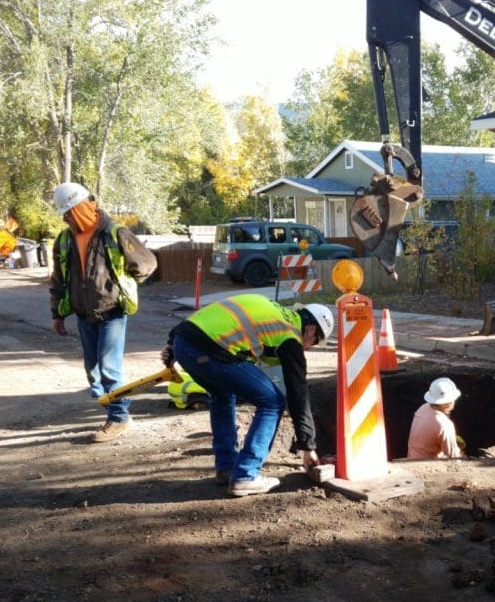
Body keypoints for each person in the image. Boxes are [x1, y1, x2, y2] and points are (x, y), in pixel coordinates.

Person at [162, 296, 335, 497]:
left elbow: (211, 315)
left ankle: (226, 468)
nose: (307, 348)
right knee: (272, 402)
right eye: (312, 343)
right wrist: (307, 446)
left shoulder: (273, 311)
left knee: (222, 394)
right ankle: (246, 474)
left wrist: (173, 344)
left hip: (184, 341)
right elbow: (298, 393)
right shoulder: (290, 336)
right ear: (311, 330)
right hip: (209, 350)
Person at [49, 182, 157, 442]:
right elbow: (58, 279)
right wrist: (57, 313)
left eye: (68, 212)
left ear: (81, 207)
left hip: (111, 312)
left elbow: (147, 264)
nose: (66, 218)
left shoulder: (114, 233)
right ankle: (113, 410)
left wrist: (122, 285)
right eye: (64, 214)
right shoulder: (65, 240)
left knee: (110, 368)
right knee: (94, 372)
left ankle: (119, 417)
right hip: (83, 313)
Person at [406, 377, 464, 459]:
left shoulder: (423, 408)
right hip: (425, 467)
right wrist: (459, 451)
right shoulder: (445, 425)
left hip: (410, 460)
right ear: (450, 402)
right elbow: (453, 457)